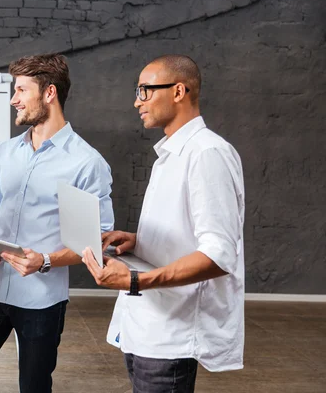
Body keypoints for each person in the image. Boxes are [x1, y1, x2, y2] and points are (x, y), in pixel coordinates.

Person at [82, 54, 245, 393]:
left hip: (173, 334)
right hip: (144, 326)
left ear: (178, 91)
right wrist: (138, 240)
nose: (136, 101)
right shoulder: (171, 154)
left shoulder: (207, 153)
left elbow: (219, 253)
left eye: (144, 91)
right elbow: (187, 232)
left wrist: (137, 279)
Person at [0, 54, 114, 393]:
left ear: (49, 93)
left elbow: (96, 240)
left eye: (21, 90)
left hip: (41, 299)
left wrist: (45, 261)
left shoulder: (86, 163)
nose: (14, 99)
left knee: (34, 387)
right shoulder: (7, 151)